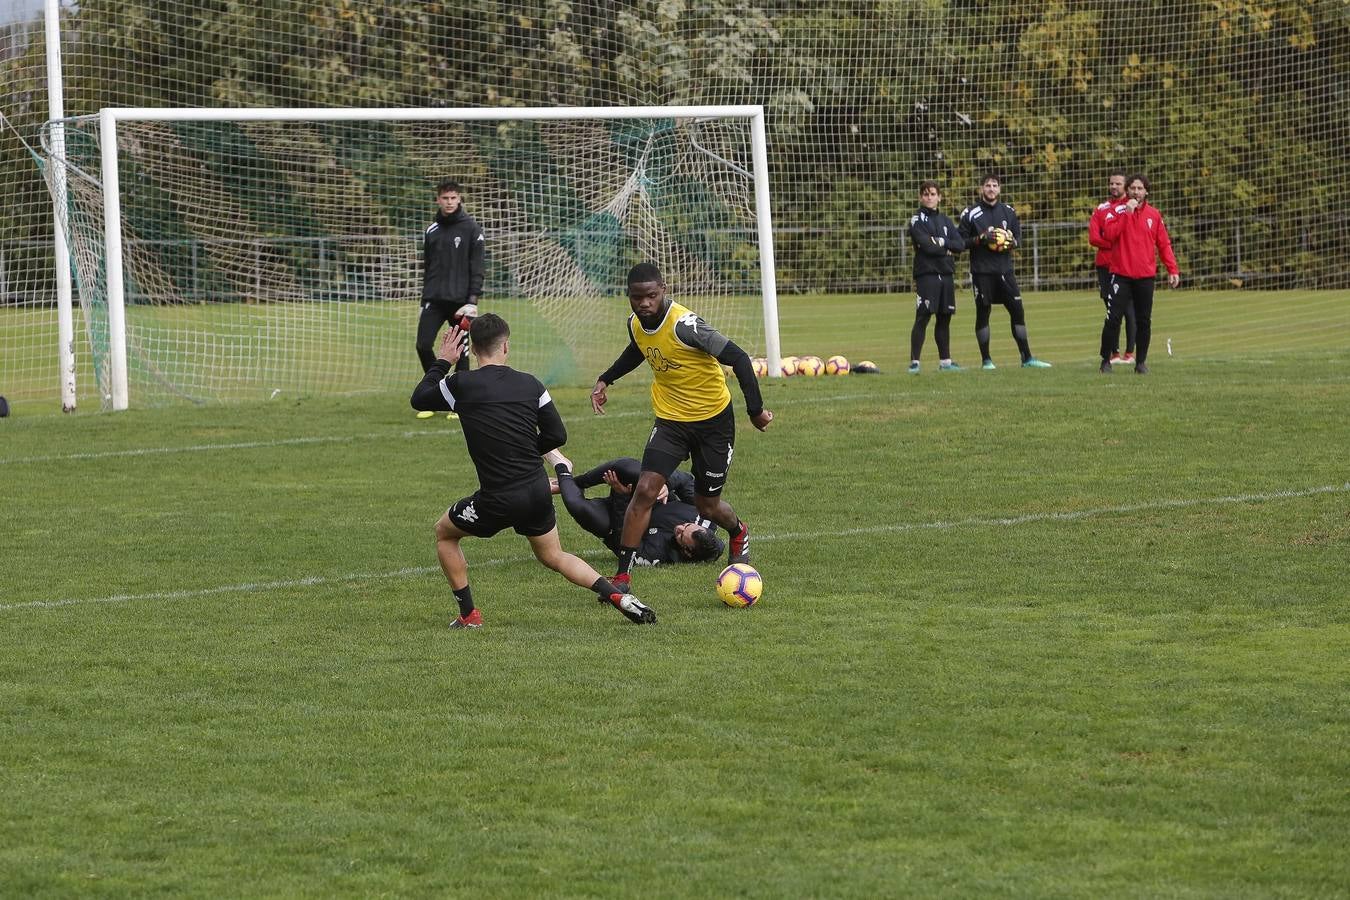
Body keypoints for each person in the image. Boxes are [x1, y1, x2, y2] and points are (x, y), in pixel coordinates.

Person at [410, 313, 656, 627]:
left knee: (444, 533)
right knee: (554, 556)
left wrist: (443, 360)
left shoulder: (461, 384)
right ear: (506, 346)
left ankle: (469, 615)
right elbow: (557, 436)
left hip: (498, 498)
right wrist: (526, 454)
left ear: (472, 350)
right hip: (537, 490)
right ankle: (617, 595)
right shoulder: (531, 384)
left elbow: (420, 399)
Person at [591, 262, 774, 592]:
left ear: (663, 290)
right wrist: (607, 378)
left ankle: (738, 531)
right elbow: (640, 349)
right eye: (637, 297)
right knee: (645, 489)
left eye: (650, 295)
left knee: (707, 505)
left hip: (713, 422)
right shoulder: (635, 324)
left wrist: (756, 410)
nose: (644, 303)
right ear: (629, 297)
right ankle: (622, 578)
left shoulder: (686, 326)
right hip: (671, 421)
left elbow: (740, 358)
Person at [546, 450, 726, 565]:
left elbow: (621, 544)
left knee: (578, 507)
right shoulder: (706, 516)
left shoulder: (658, 557)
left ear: (687, 552)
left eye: (680, 536)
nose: (679, 528)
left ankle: (563, 469)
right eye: (686, 525)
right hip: (644, 497)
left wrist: (621, 496)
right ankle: (574, 483)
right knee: (629, 469)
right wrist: (665, 484)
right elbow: (686, 480)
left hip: (616, 521)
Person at [957, 174, 1052, 370]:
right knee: (983, 313)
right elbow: (960, 243)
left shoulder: (1009, 211)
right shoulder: (970, 213)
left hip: (1005, 271)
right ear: (982, 189)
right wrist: (981, 239)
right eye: (987, 185)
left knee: (1018, 311)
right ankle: (987, 361)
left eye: (994, 185)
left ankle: (1027, 358)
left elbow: (1018, 239)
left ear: (999, 189)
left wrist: (1009, 241)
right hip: (982, 272)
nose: (991, 189)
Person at [1099, 174, 1180, 375]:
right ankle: (1105, 361)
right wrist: (1127, 213)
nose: (1136, 192)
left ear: (1146, 192)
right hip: (1120, 274)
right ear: (1128, 191)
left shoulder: (1154, 215)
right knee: (1113, 319)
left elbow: (1163, 244)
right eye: (1133, 188)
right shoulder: (1117, 212)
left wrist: (1172, 269)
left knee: (1144, 320)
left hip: (1145, 276)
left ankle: (1141, 362)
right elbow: (1109, 235)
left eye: (1140, 188)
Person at [416, 179, 484, 376]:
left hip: (461, 304)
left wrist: (473, 300)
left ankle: (459, 404)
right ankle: (437, 389)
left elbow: (478, 266)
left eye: (453, 198)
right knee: (423, 345)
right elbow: (429, 268)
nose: (449, 202)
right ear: (438, 200)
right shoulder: (431, 231)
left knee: (462, 353)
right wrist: (423, 302)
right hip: (434, 301)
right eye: (445, 198)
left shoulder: (472, 229)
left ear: (459, 199)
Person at [907, 181, 967, 373]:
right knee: (923, 317)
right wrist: (946, 248)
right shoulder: (917, 220)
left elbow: (960, 245)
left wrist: (941, 242)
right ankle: (915, 363)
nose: (929, 197)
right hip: (927, 274)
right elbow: (926, 245)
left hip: (946, 274)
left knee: (944, 318)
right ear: (920, 197)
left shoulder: (946, 220)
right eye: (925, 194)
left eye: (933, 194)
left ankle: (945, 363)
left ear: (939, 197)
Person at [1088, 170, 1136, 364]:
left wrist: (1112, 239)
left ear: (1125, 186)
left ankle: (1130, 353)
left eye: (1118, 184)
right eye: (1111, 183)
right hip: (1105, 266)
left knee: (1129, 309)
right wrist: (1113, 242)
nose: (1114, 187)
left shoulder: (1131, 207)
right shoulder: (1101, 209)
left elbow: (1130, 236)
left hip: (1126, 264)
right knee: (1111, 309)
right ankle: (1114, 353)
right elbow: (1094, 237)